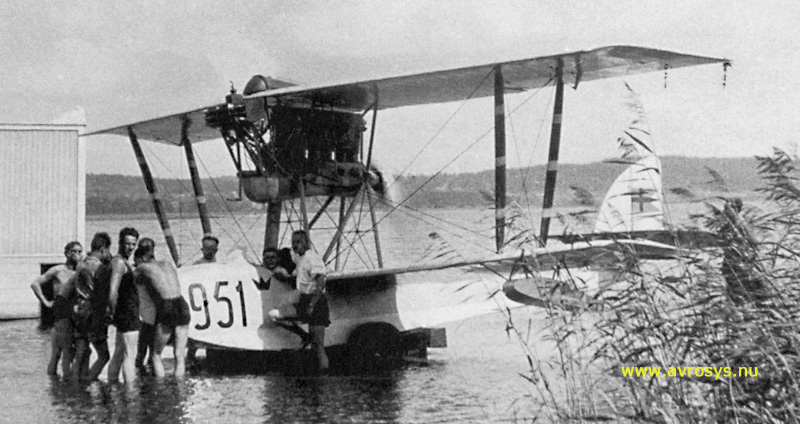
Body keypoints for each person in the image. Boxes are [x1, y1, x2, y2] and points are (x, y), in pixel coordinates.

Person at [268, 230, 329, 372]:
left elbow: (321, 283)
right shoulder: (298, 257)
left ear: (306, 242)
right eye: (293, 242)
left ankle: (324, 374)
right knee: (274, 315)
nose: (295, 245)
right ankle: (304, 336)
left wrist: (313, 304)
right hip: (303, 300)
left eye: (298, 242)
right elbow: (287, 259)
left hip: (316, 302)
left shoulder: (313, 259)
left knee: (318, 345)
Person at [133, 239, 190, 378]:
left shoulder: (142, 268)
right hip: (182, 304)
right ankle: (180, 387)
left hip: (167, 306)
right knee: (179, 355)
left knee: (156, 355)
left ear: (140, 258)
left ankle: (160, 387)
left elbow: (131, 280)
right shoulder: (168, 263)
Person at [30, 241, 83, 376]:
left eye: (79, 252)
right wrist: (45, 302)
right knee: (62, 351)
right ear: (66, 253)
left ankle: (60, 386)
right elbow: (35, 283)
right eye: (74, 251)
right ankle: (64, 384)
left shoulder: (81, 271)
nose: (77, 254)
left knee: (71, 351)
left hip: (76, 314)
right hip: (61, 313)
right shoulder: (58, 270)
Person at [70, 232, 113, 381]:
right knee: (104, 355)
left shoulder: (81, 263)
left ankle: (78, 387)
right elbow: (101, 294)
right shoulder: (98, 267)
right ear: (102, 249)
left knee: (82, 353)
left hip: (80, 312)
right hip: (93, 314)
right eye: (107, 250)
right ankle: (89, 380)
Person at [106, 227, 140, 384]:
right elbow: (113, 290)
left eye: (134, 244)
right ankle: (130, 392)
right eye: (127, 244)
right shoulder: (119, 262)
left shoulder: (121, 261)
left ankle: (112, 384)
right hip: (127, 314)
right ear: (120, 243)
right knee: (129, 355)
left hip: (125, 313)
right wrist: (111, 312)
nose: (131, 247)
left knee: (119, 353)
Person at [719, 198, 765, 305]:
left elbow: (754, 243)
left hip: (740, 264)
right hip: (730, 264)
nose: (724, 211)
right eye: (724, 208)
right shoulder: (728, 225)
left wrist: (748, 258)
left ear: (736, 209)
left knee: (743, 292)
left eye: (727, 208)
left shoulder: (741, 225)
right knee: (732, 294)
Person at [135, 238, 157, 375]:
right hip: (148, 314)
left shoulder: (147, 267)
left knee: (147, 350)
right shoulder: (153, 265)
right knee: (146, 350)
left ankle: (145, 374)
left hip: (150, 315)